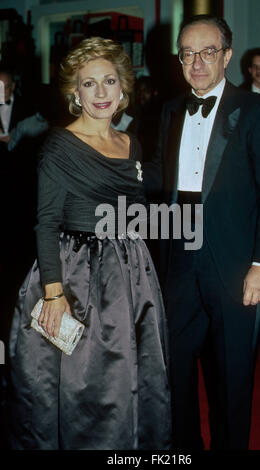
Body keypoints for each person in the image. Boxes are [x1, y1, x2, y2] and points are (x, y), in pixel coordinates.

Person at [8, 37, 171, 450]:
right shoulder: (58, 145)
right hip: (75, 271)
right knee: (82, 383)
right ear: (73, 93)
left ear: (123, 89)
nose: (101, 93)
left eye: (109, 81)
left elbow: (132, 211)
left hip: (130, 271)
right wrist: (54, 293)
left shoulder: (130, 143)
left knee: (131, 375)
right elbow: (45, 223)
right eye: (89, 83)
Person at [156, 14, 260, 450]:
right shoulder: (169, 110)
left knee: (232, 379)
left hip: (238, 265)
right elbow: (159, 187)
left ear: (227, 56)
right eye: (188, 53)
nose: (197, 63)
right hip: (178, 262)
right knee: (173, 376)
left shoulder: (259, 111)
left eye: (208, 52)